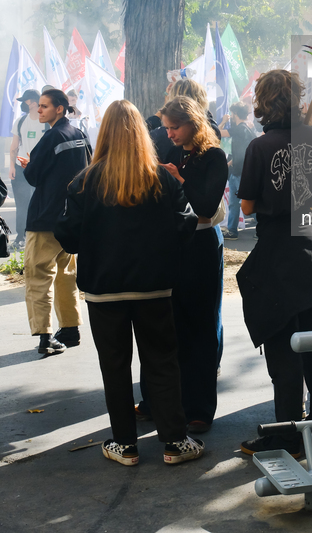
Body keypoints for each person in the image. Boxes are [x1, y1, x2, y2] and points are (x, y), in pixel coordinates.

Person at [54, 100, 203, 466]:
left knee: (114, 367)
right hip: (154, 288)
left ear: (103, 134)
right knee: (163, 363)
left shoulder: (83, 182)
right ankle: (175, 442)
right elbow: (187, 225)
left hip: (103, 291)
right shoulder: (162, 177)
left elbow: (68, 236)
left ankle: (124, 444)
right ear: (142, 133)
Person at [236, 69, 312, 456]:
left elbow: (247, 205)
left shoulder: (259, 147)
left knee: (285, 356)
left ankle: (287, 437)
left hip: (279, 255)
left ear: (264, 102)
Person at [137, 96, 228, 435]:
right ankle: (165, 403)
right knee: (171, 328)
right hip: (174, 245)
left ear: (193, 123)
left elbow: (206, 206)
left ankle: (200, 409)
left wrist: (180, 181)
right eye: (166, 128)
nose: (169, 134)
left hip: (202, 243)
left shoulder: (214, 156)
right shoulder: (171, 152)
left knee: (201, 328)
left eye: (175, 127)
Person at [19, 89, 91, 354]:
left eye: (44, 106)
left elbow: (34, 177)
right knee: (66, 275)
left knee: (38, 276)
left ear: (59, 109)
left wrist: (28, 166)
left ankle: (45, 337)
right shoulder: (79, 134)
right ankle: (70, 329)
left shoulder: (51, 137)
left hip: (45, 218)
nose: (38, 110)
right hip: (70, 219)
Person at [9, 89, 45, 250]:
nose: (24, 104)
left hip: (41, 169)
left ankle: (36, 236)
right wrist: (11, 166)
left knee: (39, 202)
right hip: (21, 167)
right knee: (22, 203)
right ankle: (20, 236)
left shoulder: (45, 121)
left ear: (32, 102)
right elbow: (14, 147)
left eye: (26, 100)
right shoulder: (21, 121)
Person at [219, 102, 255, 240]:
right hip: (239, 172)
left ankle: (260, 228)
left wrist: (222, 121)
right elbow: (244, 151)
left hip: (240, 174)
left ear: (234, 114)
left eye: (232, 114)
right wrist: (230, 163)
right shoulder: (247, 129)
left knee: (245, 202)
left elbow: (217, 133)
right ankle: (232, 231)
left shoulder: (240, 129)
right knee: (236, 203)